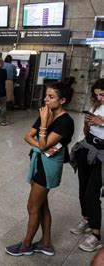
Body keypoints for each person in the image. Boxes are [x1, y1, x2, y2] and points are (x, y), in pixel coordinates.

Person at [6, 81, 74, 257]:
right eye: (46, 95)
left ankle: (26, 245)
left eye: (51, 97)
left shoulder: (66, 122)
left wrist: (43, 124)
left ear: (63, 100)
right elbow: (28, 136)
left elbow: (43, 144)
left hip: (49, 167)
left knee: (33, 206)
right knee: (42, 205)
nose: (46, 100)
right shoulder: (46, 112)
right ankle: (46, 243)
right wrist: (41, 147)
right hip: (39, 162)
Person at [69, 78, 104, 252]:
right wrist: (87, 124)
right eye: (97, 95)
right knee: (83, 188)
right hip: (88, 147)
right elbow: (86, 131)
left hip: (102, 154)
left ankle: (96, 235)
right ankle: (87, 219)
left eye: (103, 94)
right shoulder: (95, 106)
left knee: (92, 192)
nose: (100, 98)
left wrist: (102, 122)